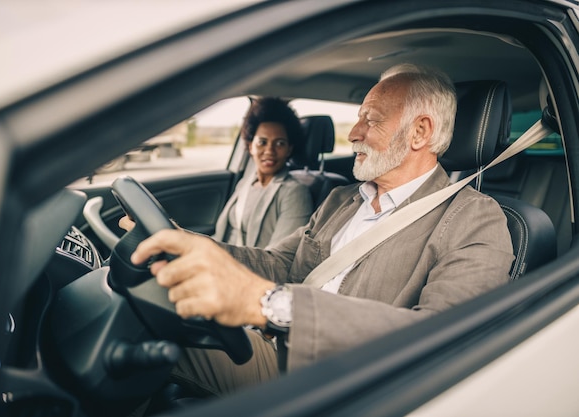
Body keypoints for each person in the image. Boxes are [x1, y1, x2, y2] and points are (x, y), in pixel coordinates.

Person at [128, 63, 515, 397]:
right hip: (274, 341)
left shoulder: (475, 220)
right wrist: (190, 242)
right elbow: (280, 263)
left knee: (142, 332)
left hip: (337, 378)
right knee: (140, 313)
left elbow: (441, 338)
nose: (353, 134)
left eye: (371, 119)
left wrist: (271, 305)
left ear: (420, 132)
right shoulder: (342, 199)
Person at [212, 97, 313, 248]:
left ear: (289, 149)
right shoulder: (245, 184)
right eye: (262, 142)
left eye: (280, 143)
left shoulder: (295, 193)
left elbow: (277, 260)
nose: (269, 151)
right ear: (251, 146)